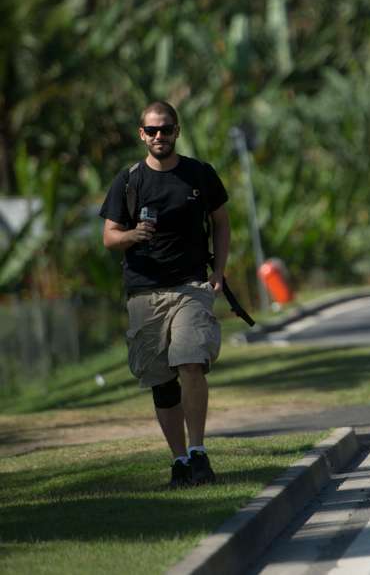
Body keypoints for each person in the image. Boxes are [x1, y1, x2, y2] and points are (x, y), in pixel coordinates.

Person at [99, 101, 230, 488]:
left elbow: (221, 222)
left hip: (190, 285)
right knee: (161, 380)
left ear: (177, 131)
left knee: (191, 361)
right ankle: (178, 461)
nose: (160, 136)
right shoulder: (129, 180)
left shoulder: (199, 174)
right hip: (144, 291)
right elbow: (108, 236)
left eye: (166, 129)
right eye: (152, 130)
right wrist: (132, 236)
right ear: (141, 134)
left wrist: (218, 271)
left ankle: (199, 451)